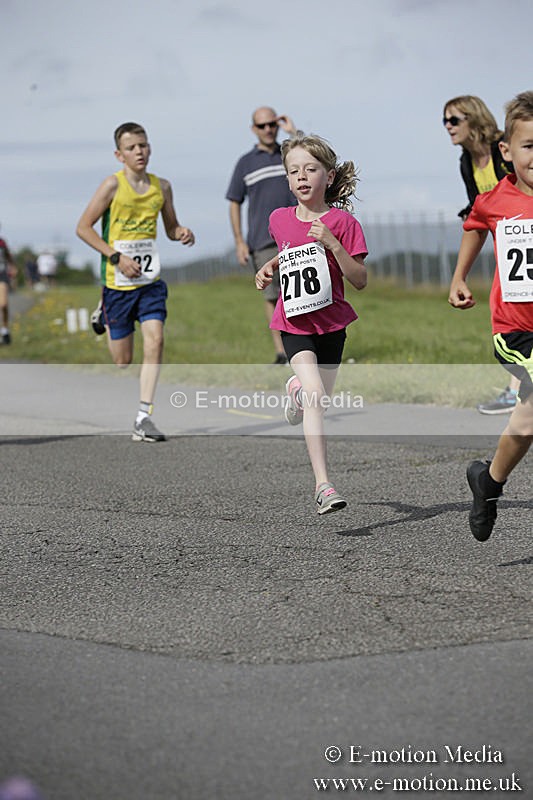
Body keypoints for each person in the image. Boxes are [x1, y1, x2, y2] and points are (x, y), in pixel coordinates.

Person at [255, 133, 367, 514]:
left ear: (329, 176)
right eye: (294, 171)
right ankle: (323, 484)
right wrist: (269, 267)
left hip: (332, 322)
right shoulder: (279, 219)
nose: (302, 177)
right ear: (287, 180)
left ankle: (296, 390)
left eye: (310, 169)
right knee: (317, 396)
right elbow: (291, 255)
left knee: (319, 397)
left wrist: (334, 243)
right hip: (294, 322)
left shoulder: (343, 222)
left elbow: (360, 279)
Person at [448, 90, 533, 541]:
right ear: (507, 150)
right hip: (517, 333)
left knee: (526, 423)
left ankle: (488, 481)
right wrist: (460, 276)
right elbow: (475, 226)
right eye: (530, 146)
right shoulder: (495, 200)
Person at [76, 121, 195, 442]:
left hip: (149, 280)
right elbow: (83, 228)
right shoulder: (111, 186)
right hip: (117, 282)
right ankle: (103, 310)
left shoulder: (162, 187)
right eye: (131, 148)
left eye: (143, 145)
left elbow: (171, 227)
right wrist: (115, 257)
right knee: (122, 361)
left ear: (150, 147)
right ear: (119, 154)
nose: (139, 152)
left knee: (155, 340)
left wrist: (181, 232)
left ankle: (144, 417)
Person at [443, 94, 520, 415]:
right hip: (509, 242)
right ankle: (518, 389)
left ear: (474, 119)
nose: (447, 127)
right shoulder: (466, 161)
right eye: (444, 121)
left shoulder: (503, 147)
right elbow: (479, 205)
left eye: (454, 120)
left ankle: (517, 391)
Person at [226, 106, 299, 365]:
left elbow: (315, 160)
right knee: (274, 296)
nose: (268, 129)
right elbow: (234, 201)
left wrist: (295, 132)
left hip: (300, 234)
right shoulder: (245, 163)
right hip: (263, 240)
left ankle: (304, 347)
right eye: (262, 126)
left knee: (299, 293)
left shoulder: (290, 153)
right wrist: (239, 241)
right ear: (253, 129)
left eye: (272, 124)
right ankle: (283, 352)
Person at [0, 224, 17, 345]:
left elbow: (8, 256)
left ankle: (5, 331)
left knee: (3, 304)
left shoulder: (2, 243)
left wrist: (12, 267)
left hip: (2, 274)